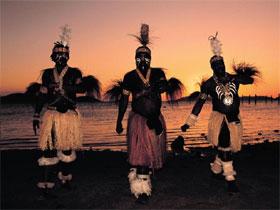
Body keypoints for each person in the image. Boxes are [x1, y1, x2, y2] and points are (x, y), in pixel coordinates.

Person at [107, 24, 184, 203]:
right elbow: (124, 100)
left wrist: (163, 86)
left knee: (150, 154)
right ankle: (142, 190)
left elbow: (165, 86)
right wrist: (119, 121)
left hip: (155, 118)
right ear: (134, 59)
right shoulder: (129, 77)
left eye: (146, 57)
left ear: (150, 58)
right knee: (141, 155)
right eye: (139, 57)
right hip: (138, 120)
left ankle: (140, 177)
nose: (142, 60)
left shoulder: (157, 73)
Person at [181, 32, 260, 193]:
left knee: (227, 146)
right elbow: (200, 102)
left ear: (224, 64)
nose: (220, 68)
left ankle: (216, 170)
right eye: (216, 66)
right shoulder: (209, 85)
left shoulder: (234, 79)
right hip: (219, 119)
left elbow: (250, 81)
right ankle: (230, 178)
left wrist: (243, 76)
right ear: (212, 68)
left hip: (234, 118)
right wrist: (189, 122)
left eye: (221, 65)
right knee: (224, 145)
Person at [32, 25, 101, 197]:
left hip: (69, 116)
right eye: (58, 55)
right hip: (52, 115)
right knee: (47, 149)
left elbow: (81, 88)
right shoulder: (47, 74)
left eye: (64, 54)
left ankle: (65, 179)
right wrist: (36, 114)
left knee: (67, 150)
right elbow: (41, 95)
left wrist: (69, 87)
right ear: (53, 56)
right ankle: (46, 184)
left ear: (68, 56)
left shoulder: (74, 72)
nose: (62, 57)